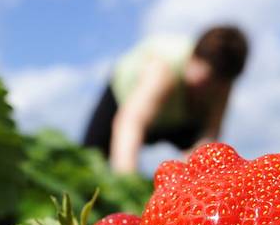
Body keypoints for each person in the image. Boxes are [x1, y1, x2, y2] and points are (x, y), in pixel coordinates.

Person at [83, 26, 248, 174]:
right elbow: (131, 122)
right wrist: (128, 179)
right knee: (90, 158)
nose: (208, 92)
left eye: (216, 87)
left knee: (203, 160)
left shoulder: (223, 83)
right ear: (193, 58)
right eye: (205, 82)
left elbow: (210, 134)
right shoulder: (164, 68)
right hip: (125, 103)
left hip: (180, 118)